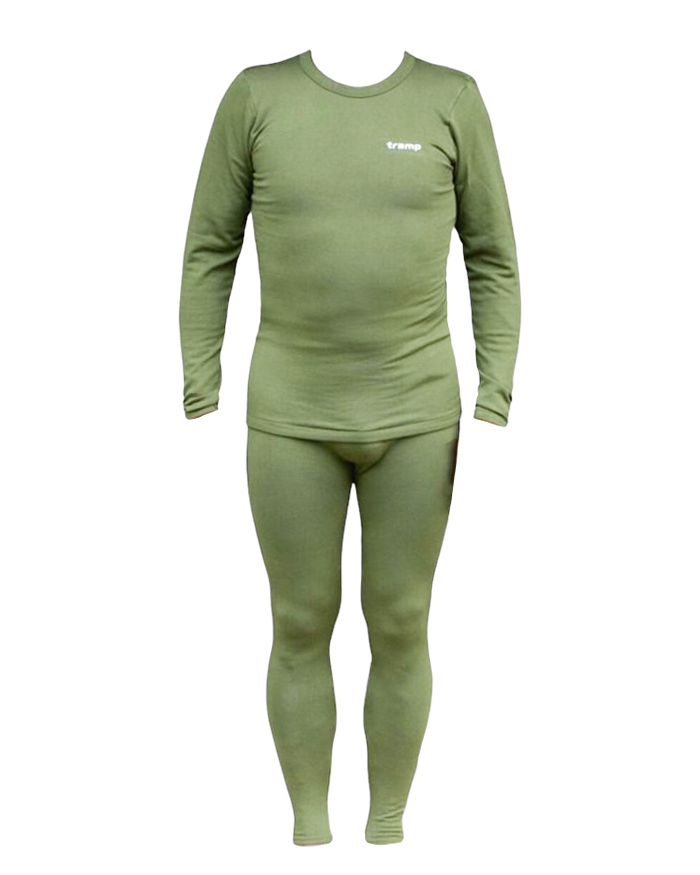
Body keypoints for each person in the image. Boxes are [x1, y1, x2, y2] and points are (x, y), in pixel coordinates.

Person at [179, 47, 521, 846]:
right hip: (292, 412)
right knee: (299, 619)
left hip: (417, 411)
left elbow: (493, 255)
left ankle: (388, 825)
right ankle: (308, 830)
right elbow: (209, 247)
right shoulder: (255, 97)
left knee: (401, 619)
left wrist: (495, 393)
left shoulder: (452, 99)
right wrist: (201, 383)